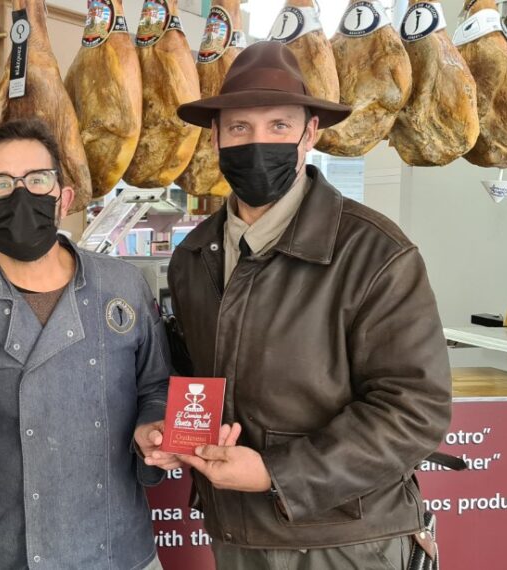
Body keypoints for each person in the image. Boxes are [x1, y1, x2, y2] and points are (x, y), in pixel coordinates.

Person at [158, 41, 453, 569]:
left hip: (346, 541)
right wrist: (166, 429)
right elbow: (193, 376)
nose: (258, 142)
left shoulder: (375, 252)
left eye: (279, 126)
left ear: (309, 133)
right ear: (216, 137)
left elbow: (414, 410)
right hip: (235, 534)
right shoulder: (193, 256)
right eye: (240, 128)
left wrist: (277, 474)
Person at [0, 118, 173, 570]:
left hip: (120, 549)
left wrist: (151, 427)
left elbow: (156, 386)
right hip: (13, 552)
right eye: (0, 184)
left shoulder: (123, 286)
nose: (21, 196)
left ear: (64, 198)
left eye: (37, 180)